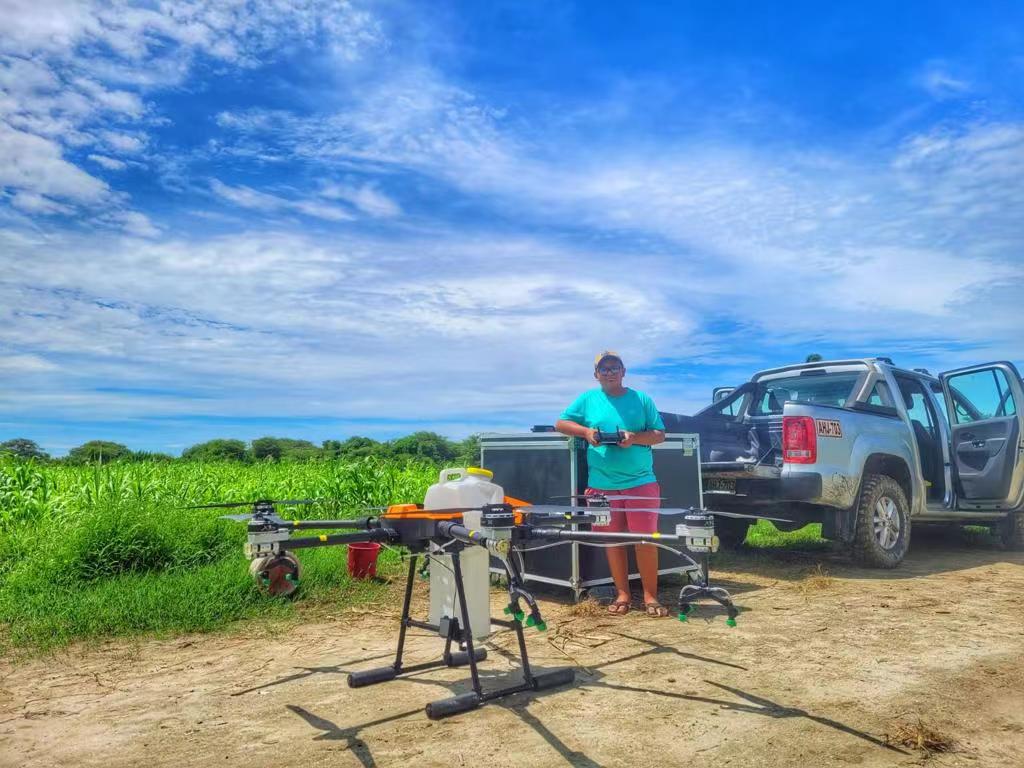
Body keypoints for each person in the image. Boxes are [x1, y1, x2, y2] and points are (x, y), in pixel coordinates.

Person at [555, 351, 667, 616]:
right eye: (603, 369)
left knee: (644, 540)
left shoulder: (641, 399)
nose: (609, 372)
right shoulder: (587, 399)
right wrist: (586, 432)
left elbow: (659, 435)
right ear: (596, 374)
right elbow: (560, 423)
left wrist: (633, 437)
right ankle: (623, 594)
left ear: (623, 371)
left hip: (641, 483)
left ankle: (651, 596)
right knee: (611, 540)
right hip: (601, 485)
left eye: (614, 367)